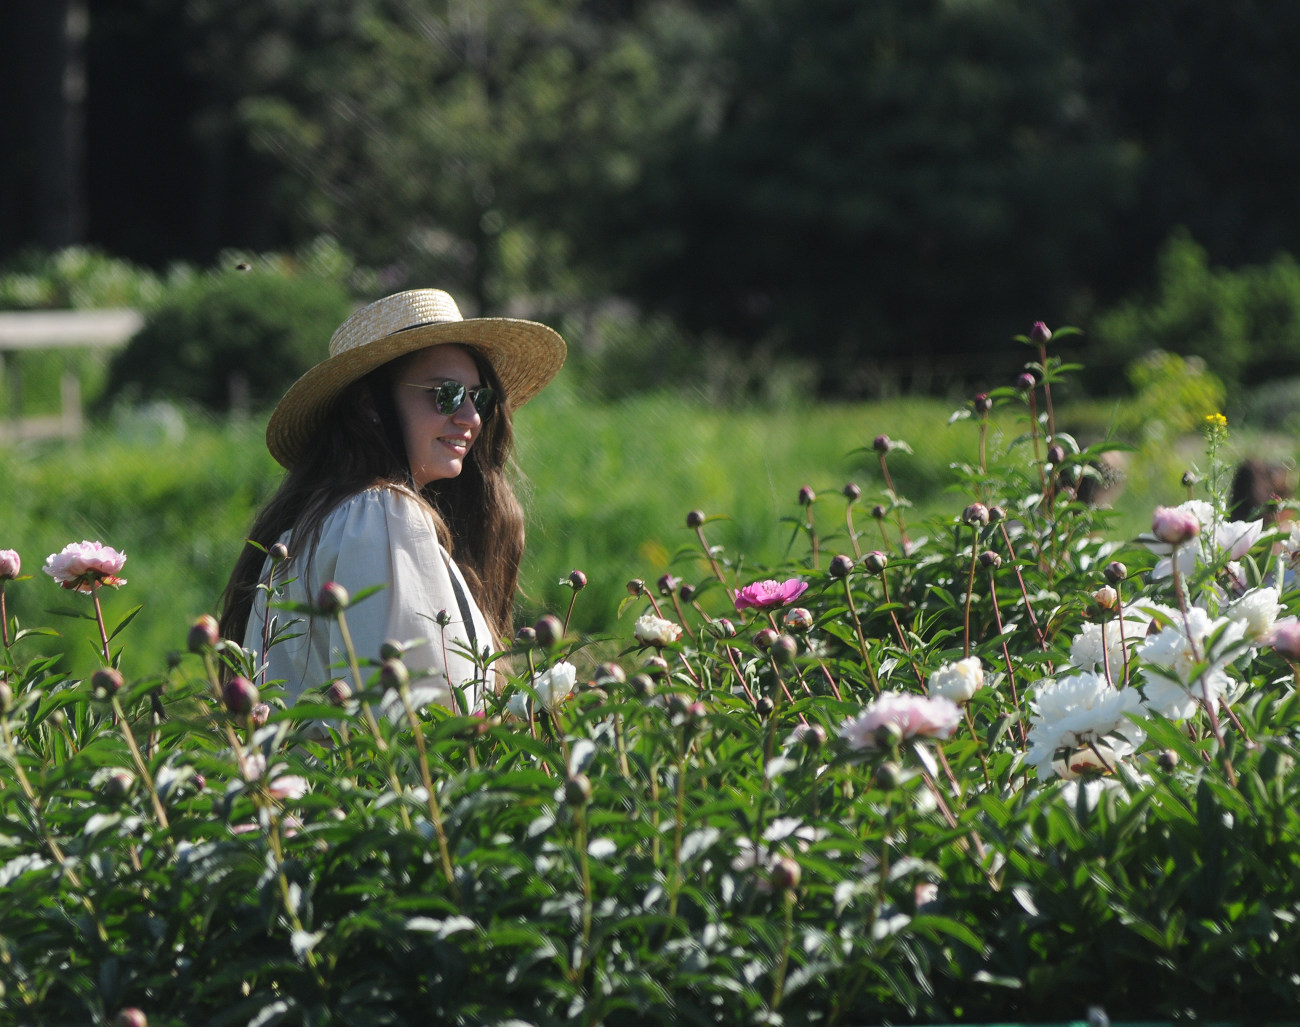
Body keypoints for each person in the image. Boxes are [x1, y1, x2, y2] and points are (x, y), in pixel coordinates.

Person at [218, 288, 566, 710]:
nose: (471, 417)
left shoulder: (322, 520)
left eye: (480, 397)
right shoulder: (381, 514)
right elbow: (419, 719)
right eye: (446, 394)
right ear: (371, 405)